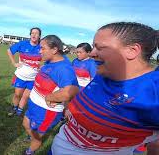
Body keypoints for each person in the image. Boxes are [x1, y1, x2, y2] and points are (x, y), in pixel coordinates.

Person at [49, 22, 159, 155]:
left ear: (132, 51)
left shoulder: (153, 93)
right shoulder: (105, 72)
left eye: (100, 48)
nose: (92, 54)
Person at [23, 35, 79, 155]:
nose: (39, 51)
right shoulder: (50, 61)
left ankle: (29, 151)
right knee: (26, 124)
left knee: (37, 137)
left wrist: (49, 97)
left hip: (46, 111)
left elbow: (72, 90)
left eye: (42, 48)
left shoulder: (64, 68)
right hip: (34, 105)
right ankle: (31, 137)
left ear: (54, 50)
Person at [7, 27, 41, 117]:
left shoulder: (42, 47)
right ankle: (14, 107)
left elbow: (49, 58)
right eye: (32, 33)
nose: (34, 35)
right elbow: (9, 51)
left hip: (33, 78)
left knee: (26, 96)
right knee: (18, 94)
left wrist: (42, 67)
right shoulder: (23, 44)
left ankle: (20, 110)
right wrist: (14, 63)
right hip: (21, 76)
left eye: (36, 33)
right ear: (30, 35)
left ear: (39, 36)